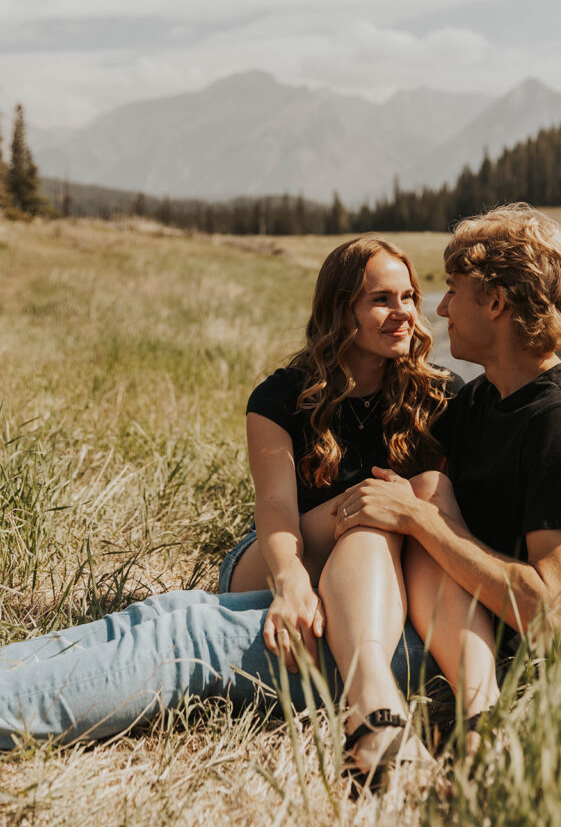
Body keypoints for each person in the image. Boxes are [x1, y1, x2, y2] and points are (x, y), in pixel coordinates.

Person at [0, 237, 490, 772]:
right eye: (381, 299)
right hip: (280, 556)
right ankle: (373, 714)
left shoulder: (439, 395)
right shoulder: (283, 395)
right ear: (340, 308)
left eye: (410, 297)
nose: (403, 313)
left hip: (382, 573)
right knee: (377, 507)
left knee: (163, 615)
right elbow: (276, 508)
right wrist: (292, 581)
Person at [332, 203, 561, 748]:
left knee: (206, 641)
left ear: (495, 302)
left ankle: (477, 726)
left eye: (452, 290)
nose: (438, 309)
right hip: (439, 620)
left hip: (494, 654)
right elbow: (418, 493)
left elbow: (553, 615)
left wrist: (425, 523)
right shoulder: (483, 400)